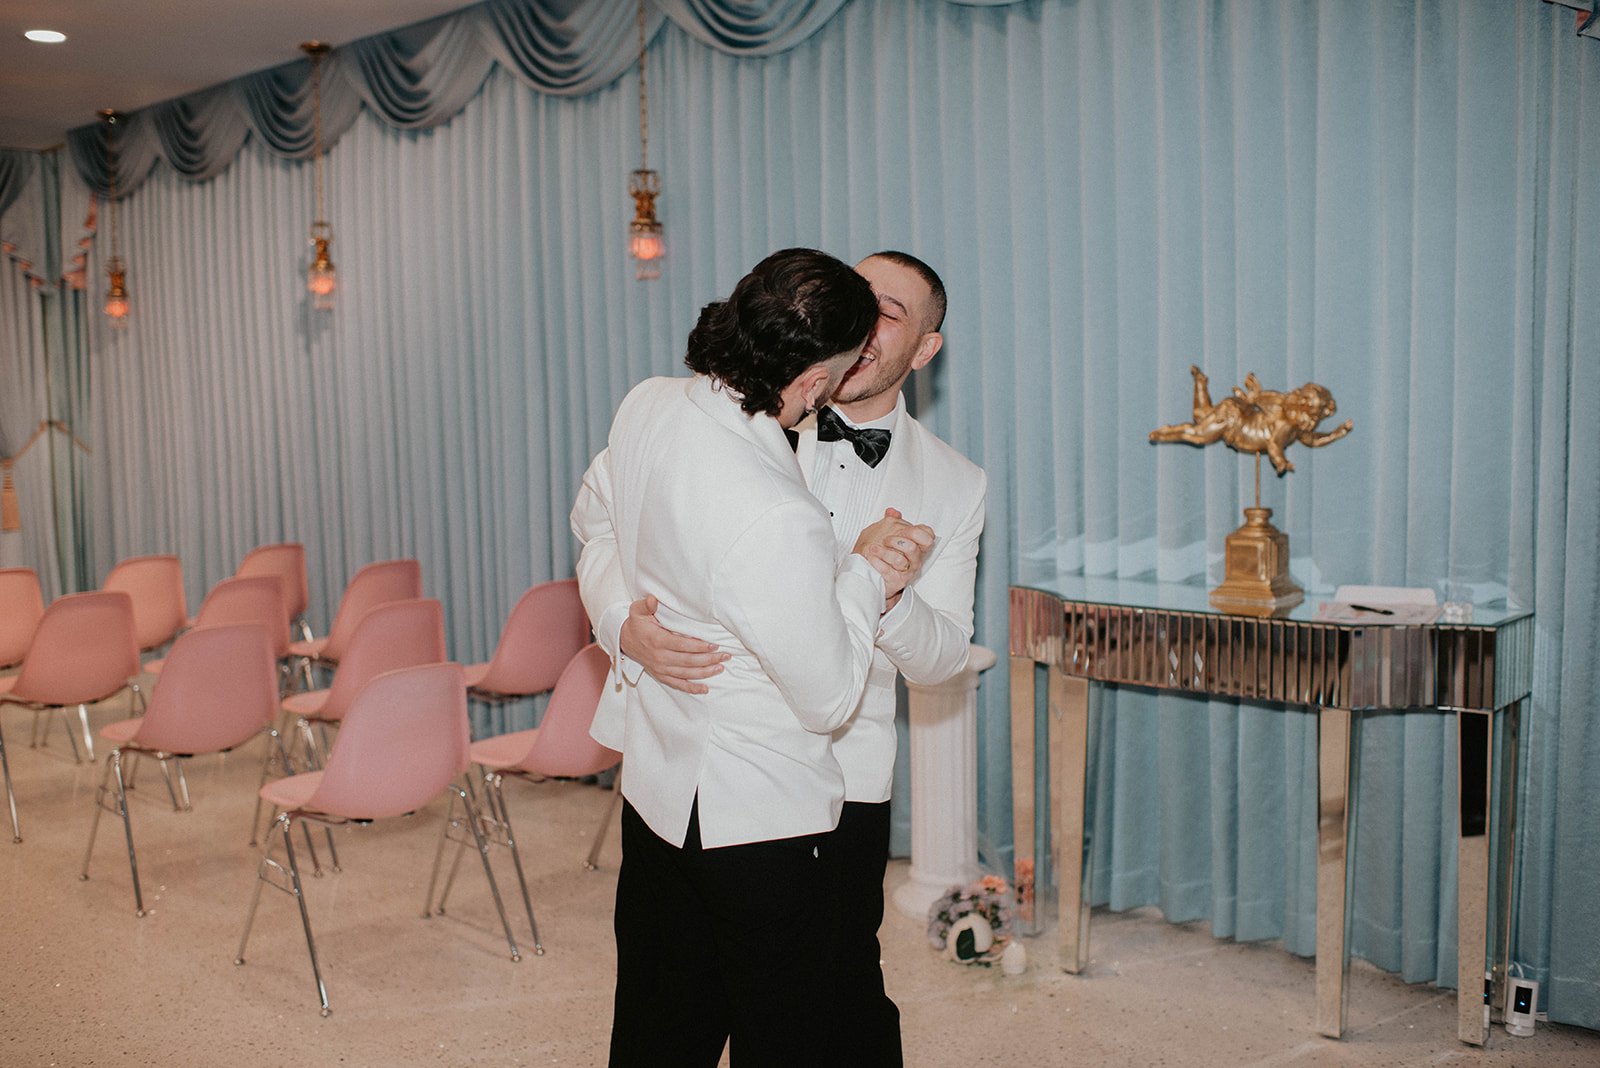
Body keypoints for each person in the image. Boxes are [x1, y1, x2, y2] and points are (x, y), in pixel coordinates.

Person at [594, 251, 987, 1066]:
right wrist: (620, 623)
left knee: (831, 1015)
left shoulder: (955, 483)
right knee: (667, 1010)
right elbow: (603, 515)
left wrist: (890, 596)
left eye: (890, 312)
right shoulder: (732, 406)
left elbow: (945, 657)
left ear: (926, 348)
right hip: (677, 772)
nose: (867, 325)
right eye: (857, 299)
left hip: (843, 783)